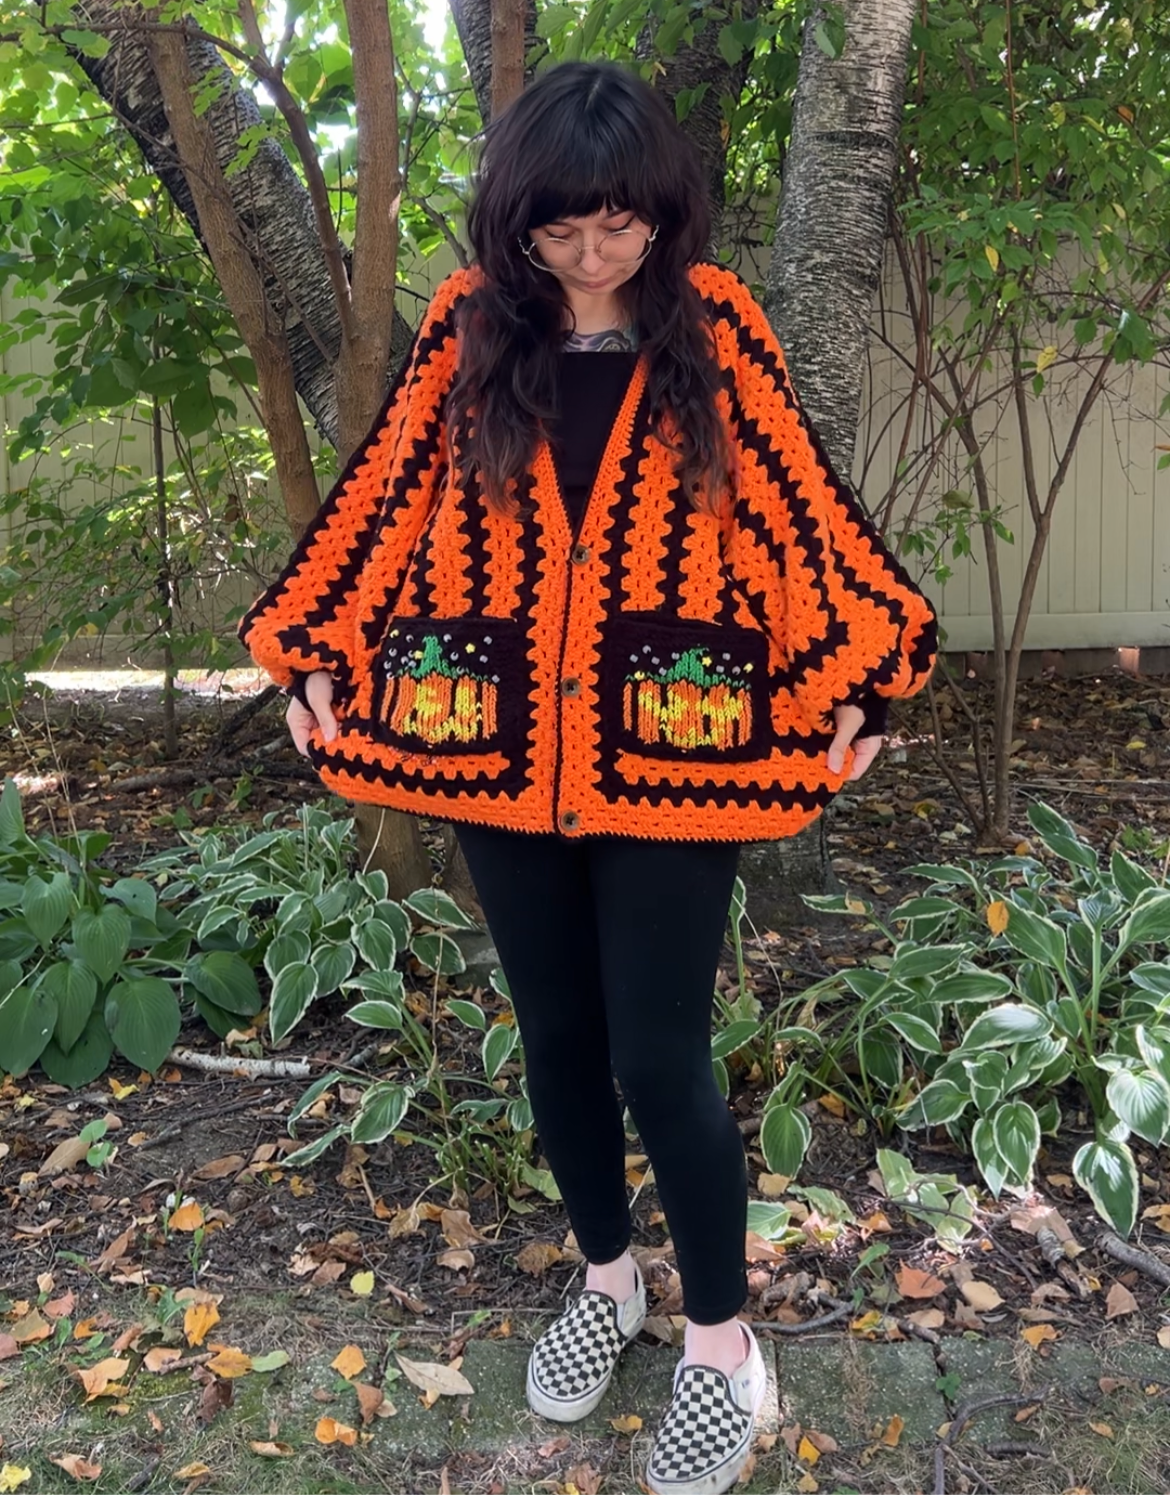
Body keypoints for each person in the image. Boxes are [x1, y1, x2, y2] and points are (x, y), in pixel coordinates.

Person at [239, 58, 937, 1495]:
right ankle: (608, 1278)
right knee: (554, 1036)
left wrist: (870, 667)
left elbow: (803, 509)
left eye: (617, 226)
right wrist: (306, 645)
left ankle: (721, 1344)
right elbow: (382, 503)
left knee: (657, 1055)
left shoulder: (718, 326)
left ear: (659, 212)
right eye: (560, 229)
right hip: (496, 753)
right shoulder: (465, 329)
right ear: (518, 218)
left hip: (674, 755)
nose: (592, 254)